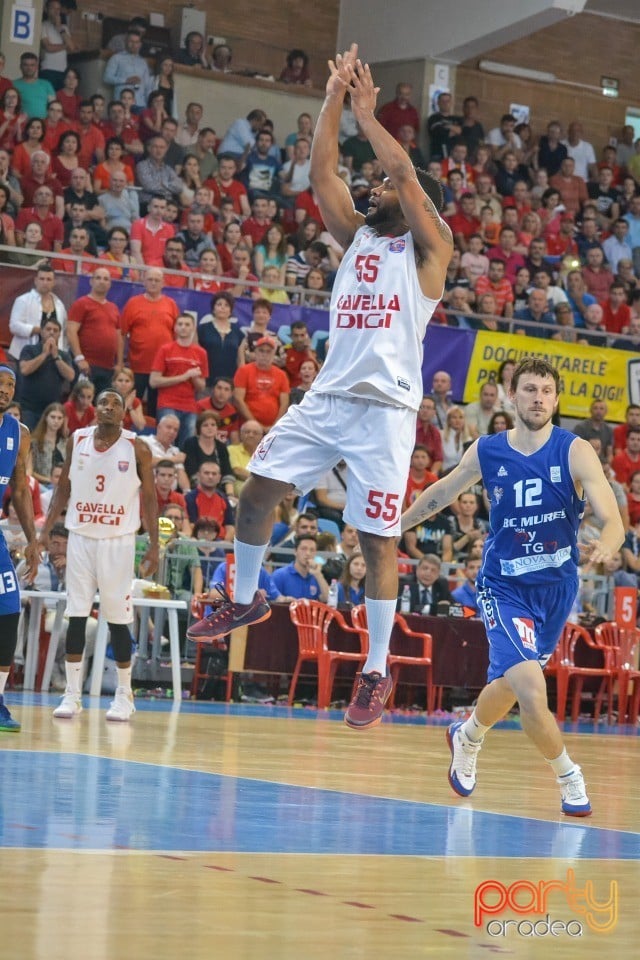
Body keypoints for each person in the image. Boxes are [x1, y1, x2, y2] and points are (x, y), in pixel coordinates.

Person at [187, 46, 452, 731]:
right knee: (257, 490)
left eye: (390, 188)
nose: (377, 187)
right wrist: (333, 94)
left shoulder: (430, 249)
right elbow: (322, 171)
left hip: (387, 413)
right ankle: (244, 596)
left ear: (419, 201)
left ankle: (374, 668)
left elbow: (398, 167)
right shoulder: (359, 237)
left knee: (375, 543)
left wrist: (370, 113)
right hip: (330, 400)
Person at [402, 358, 625, 816]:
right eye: (529, 389)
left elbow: (613, 520)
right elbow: (443, 492)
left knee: (508, 684)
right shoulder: (488, 450)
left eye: (546, 390)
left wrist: (606, 544)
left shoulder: (575, 450)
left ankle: (467, 737)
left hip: (557, 589)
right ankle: (568, 776)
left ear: (557, 399)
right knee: (529, 686)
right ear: (512, 395)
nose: (538, 397)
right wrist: (395, 527)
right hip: (504, 585)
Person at [39, 389, 159, 721]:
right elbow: (63, 488)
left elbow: (149, 499)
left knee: (118, 620)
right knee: (75, 615)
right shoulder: (77, 439)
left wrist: (154, 544)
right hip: (80, 537)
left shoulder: (138, 447)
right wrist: (46, 529)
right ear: (94, 408)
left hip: (118, 541)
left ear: (125, 411)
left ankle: (124, 694)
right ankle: (72, 694)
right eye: (102, 402)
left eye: (114, 403)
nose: (107, 407)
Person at [0, 366, 41, 730]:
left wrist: (32, 541)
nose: (5, 390)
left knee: (9, 609)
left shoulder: (20, 434)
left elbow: (21, 490)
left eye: (10, 385)